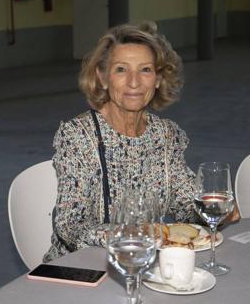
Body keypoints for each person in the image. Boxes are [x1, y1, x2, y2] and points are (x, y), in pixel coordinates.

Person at [44, 22, 204, 262]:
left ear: (158, 79)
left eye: (145, 70)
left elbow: (185, 203)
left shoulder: (165, 135)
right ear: (103, 77)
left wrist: (211, 208)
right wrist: (126, 235)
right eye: (121, 69)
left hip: (145, 264)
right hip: (83, 269)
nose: (134, 82)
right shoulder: (79, 136)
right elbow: (70, 226)